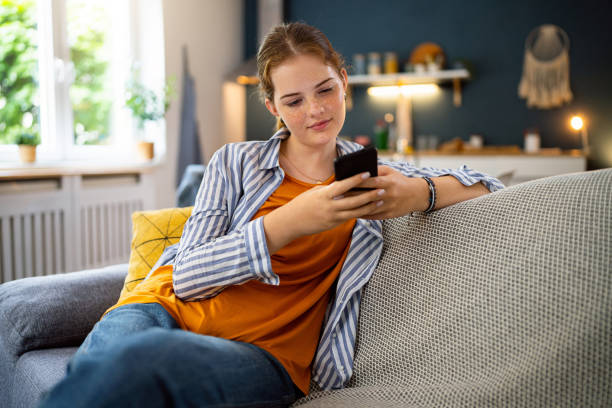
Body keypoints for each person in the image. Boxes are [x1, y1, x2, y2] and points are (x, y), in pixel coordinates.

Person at [39, 22, 503, 408]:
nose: (316, 110)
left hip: (265, 355)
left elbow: (493, 185)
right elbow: (187, 276)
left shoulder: (371, 176)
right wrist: (291, 221)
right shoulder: (233, 162)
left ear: (344, 81)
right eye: (294, 101)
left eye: (325, 90)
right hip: (159, 308)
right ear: (272, 107)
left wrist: (417, 194)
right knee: (101, 370)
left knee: (140, 363)